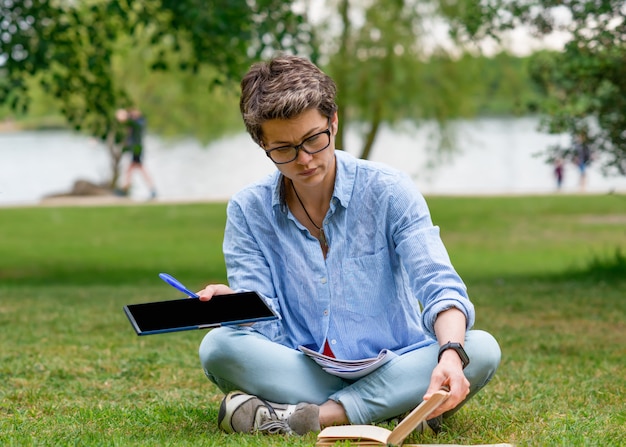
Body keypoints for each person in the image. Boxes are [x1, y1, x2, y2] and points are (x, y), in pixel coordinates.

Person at [197, 55, 501, 437]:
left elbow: (440, 287)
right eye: (284, 149)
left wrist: (450, 356)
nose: (304, 159)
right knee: (219, 348)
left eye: (313, 139)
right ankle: (399, 407)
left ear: (333, 121)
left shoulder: (390, 190)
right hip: (303, 367)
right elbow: (265, 320)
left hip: (396, 362)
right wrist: (237, 304)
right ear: (263, 144)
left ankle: (308, 418)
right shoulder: (247, 209)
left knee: (480, 348)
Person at [115, 107, 157, 199]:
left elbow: (130, 122)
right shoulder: (137, 121)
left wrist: (124, 117)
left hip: (137, 149)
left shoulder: (139, 122)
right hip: (135, 149)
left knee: (138, 169)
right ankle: (126, 189)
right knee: (131, 169)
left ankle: (152, 189)